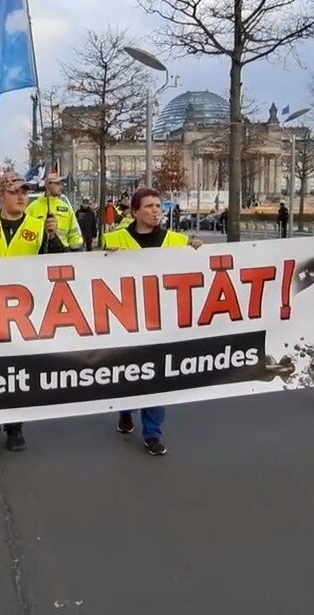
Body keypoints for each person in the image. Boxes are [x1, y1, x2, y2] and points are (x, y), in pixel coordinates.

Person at [0, 171, 66, 459]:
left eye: (25, 193)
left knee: (19, 373)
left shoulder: (38, 226)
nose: (21, 197)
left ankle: (15, 428)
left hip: (25, 314)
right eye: (15, 192)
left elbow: (63, 262)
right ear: (2, 196)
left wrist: (54, 238)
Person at [101, 187, 202, 456]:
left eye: (159, 206)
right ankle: (125, 409)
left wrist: (198, 250)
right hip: (125, 320)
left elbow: (197, 269)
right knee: (129, 371)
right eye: (149, 206)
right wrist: (103, 257)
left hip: (160, 321)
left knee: (155, 374)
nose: (156, 210)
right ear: (135, 211)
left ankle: (152, 432)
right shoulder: (114, 239)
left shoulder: (177, 240)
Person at [26, 171, 83, 250]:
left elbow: (75, 233)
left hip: (62, 254)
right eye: (57, 184)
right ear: (47, 185)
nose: (61, 187)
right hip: (40, 254)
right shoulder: (32, 208)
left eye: (61, 184)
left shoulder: (66, 208)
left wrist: (76, 251)